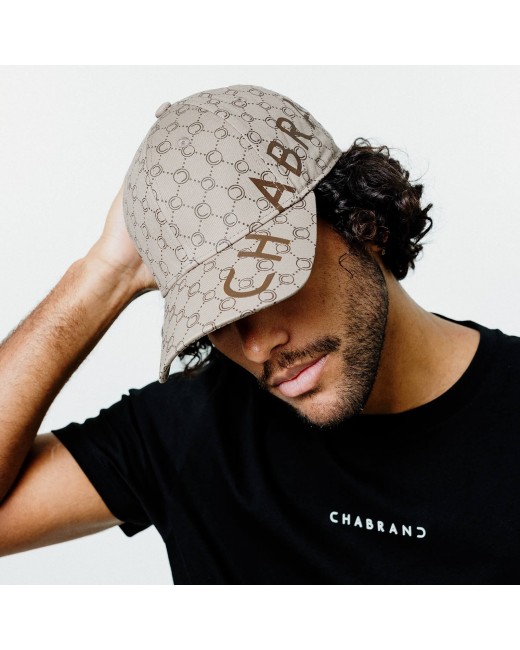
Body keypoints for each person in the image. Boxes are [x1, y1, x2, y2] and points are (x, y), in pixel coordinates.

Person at [0, 84, 518, 584]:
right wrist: (102, 275)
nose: (254, 347)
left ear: (366, 223)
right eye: (214, 315)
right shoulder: (189, 428)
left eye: (267, 282)